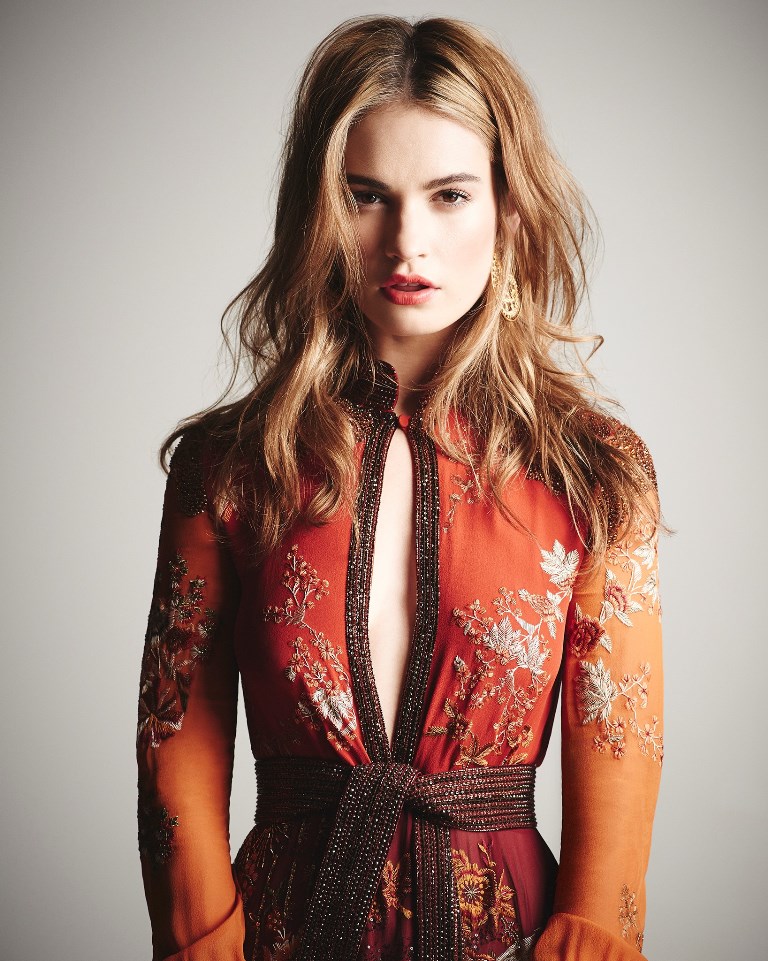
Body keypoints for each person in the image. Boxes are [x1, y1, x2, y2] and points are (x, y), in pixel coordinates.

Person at [136, 15, 664, 961]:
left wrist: (591, 936)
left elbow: (621, 743)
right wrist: (199, 939)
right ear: (318, 213)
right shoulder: (232, 464)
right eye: (366, 196)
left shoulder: (593, 469)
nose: (406, 240)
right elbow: (175, 728)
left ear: (508, 209)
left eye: (449, 195)